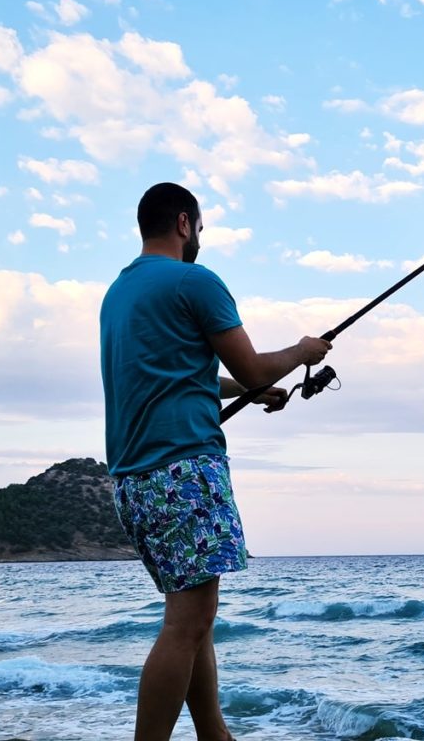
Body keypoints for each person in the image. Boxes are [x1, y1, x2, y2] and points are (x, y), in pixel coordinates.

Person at [100, 182, 331, 741]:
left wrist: (246, 393)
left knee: (192, 618)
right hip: (182, 471)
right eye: (199, 229)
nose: (200, 239)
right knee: (189, 623)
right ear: (184, 223)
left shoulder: (119, 293)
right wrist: (303, 352)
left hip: (134, 479)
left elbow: (178, 375)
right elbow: (254, 367)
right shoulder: (194, 281)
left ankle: (215, 735)